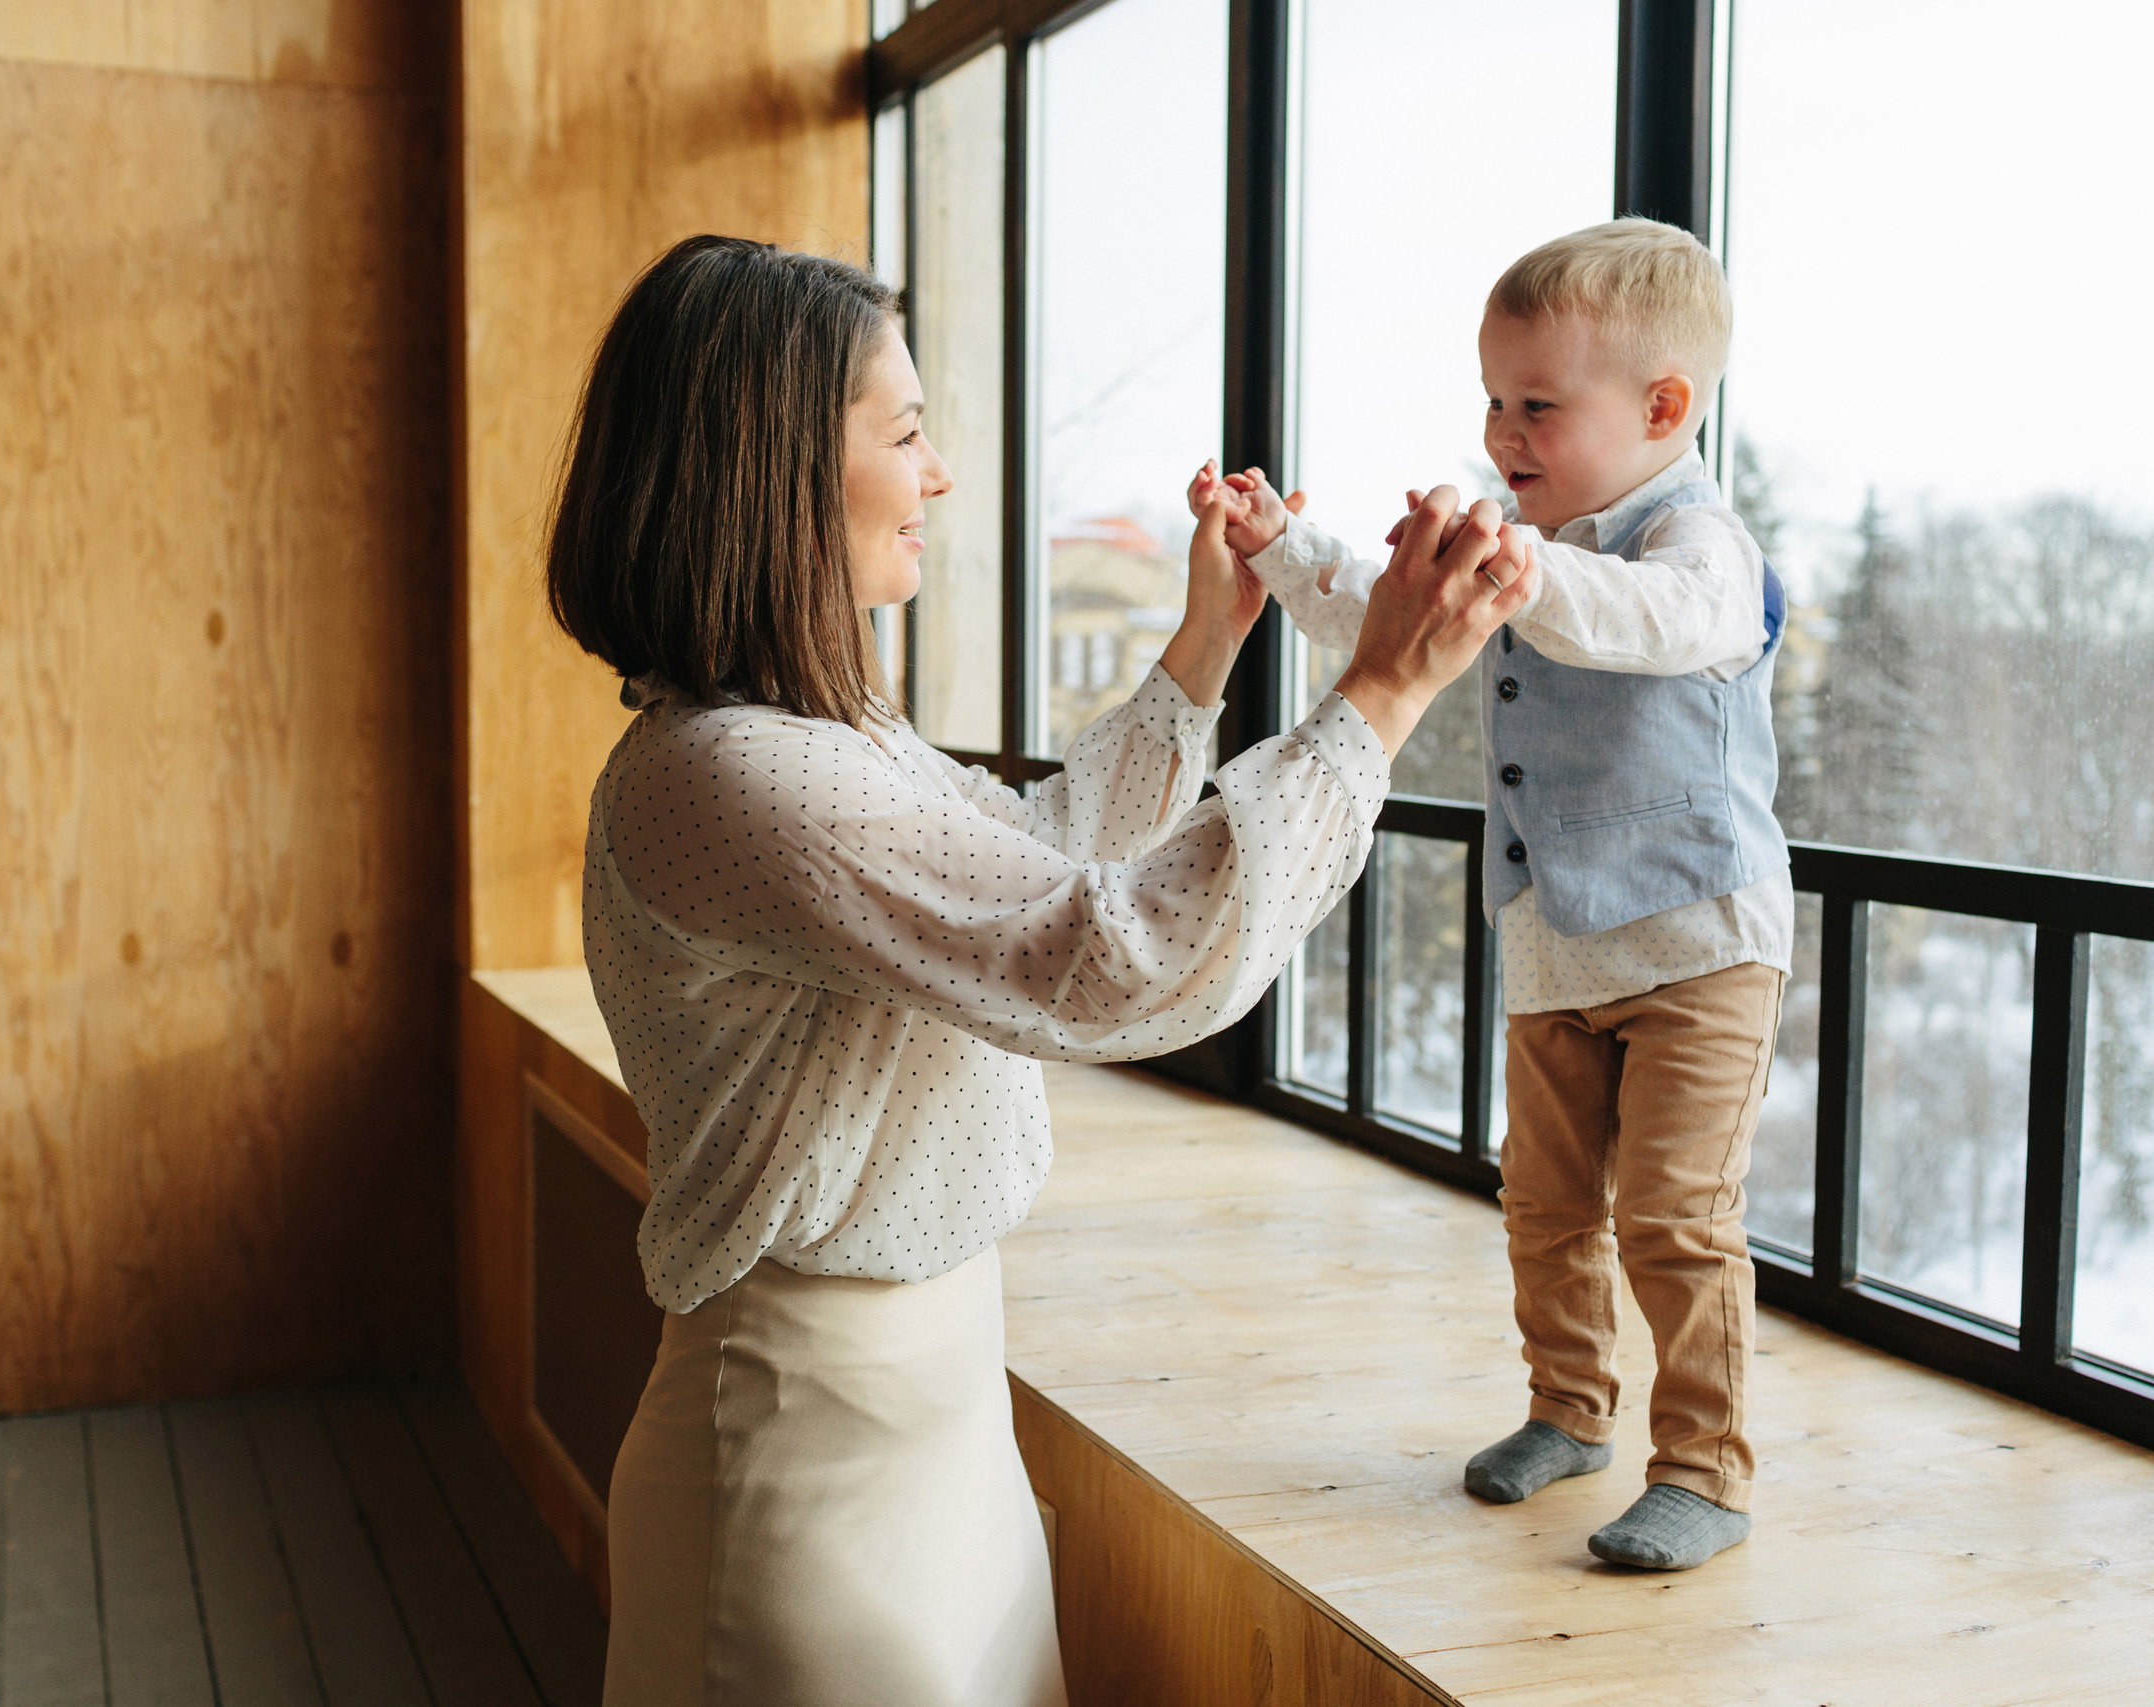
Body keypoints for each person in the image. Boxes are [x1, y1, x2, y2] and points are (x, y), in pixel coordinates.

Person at [547, 234, 1535, 1705]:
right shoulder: (735, 774)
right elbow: (1115, 962)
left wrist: (1205, 651)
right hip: (808, 1458)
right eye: (906, 431)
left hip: (929, 1428)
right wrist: (1378, 694)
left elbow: (1037, 865)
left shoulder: (821, 741)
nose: (937, 474)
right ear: (769, 471)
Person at [1187, 217, 1787, 1572]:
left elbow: (1646, 622)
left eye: (1538, 405)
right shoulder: (1524, 539)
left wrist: (1520, 567)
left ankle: (1708, 1469)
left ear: (1663, 408)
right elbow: (1375, 613)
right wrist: (1285, 547)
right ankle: (1569, 1412)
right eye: (1494, 400)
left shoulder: (1699, 545)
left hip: (1698, 939)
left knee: (1679, 1219)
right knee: (1546, 1205)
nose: (1504, 430)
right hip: (1554, 941)